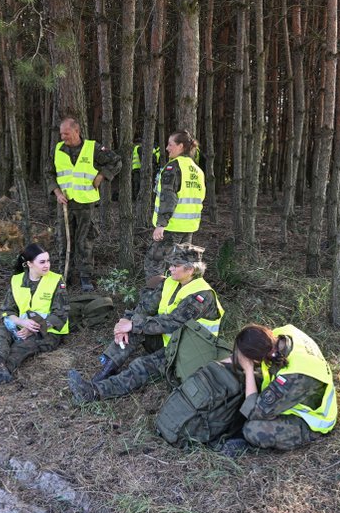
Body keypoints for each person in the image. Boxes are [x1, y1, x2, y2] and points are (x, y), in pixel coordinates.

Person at [67, 243, 223, 403]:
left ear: (190, 269)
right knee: (132, 328)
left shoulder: (201, 295)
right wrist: (127, 321)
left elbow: (173, 322)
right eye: (170, 265)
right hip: (170, 341)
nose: (170, 269)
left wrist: (134, 325)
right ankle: (105, 371)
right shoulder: (172, 282)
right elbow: (146, 306)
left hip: (187, 352)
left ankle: (93, 392)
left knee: (142, 365)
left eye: (175, 266)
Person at [220, 324, 337, 455]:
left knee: (252, 430)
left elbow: (253, 412)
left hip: (311, 421)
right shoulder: (282, 334)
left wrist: (248, 369)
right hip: (297, 396)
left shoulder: (293, 377)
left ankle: (303, 436)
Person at [0, 243, 69, 384]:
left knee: (21, 346)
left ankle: (4, 371)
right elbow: (7, 310)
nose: (47, 265)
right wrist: (21, 322)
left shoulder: (56, 280)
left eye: (48, 261)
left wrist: (33, 330)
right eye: (42, 262)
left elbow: (60, 314)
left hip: (48, 331)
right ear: (29, 264)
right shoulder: (17, 280)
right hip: (22, 325)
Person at [46, 117, 122, 292]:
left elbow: (116, 161)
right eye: (61, 134)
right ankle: (64, 276)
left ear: (76, 131)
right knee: (63, 239)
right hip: (64, 204)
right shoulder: (58, 149)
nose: (63, 137)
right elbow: (49, 173)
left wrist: (101, 176)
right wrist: (57, 193)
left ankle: (85, 277)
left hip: (85, 203)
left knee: (85, 240)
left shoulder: (93, 148)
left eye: (66, 133)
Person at [144, 130, 206, 278]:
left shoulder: (173, 168)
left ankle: (154, 298)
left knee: (154, 263)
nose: (167, 148)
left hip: (172, 226)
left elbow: (169, 198)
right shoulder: (197, 170)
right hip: (189, 226)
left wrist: (161, 224)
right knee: (181, 267)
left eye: (170, 144)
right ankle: (178, 297)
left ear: (181, 146)